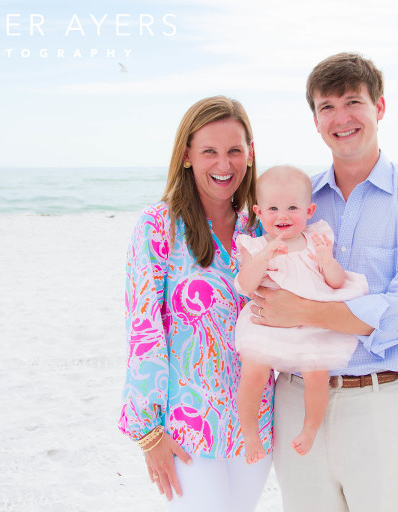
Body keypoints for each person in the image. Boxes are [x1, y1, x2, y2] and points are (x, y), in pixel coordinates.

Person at [251, 53, 398, 511]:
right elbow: (255, 282)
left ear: (379, 107)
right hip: (297, 400)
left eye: (353, 102)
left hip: (383, 404)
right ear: (315, 120)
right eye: (327, 106)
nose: (341, 118)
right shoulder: (293, 200)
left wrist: (302, 311)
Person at [118, 96, 274, 512]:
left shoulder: (259, 227)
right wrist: (147, 432)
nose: (224, 165)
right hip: (186, 427)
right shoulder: (158, 227)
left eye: (234, 151)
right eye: (210, 151)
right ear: (187, 155)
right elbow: (143, 330)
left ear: (250, 153)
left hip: (253, 422)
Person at [233, 165, 368, 464]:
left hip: (310, 323)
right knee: (253, 373)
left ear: (309, 210)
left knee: (316, 376)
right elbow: (244, 285)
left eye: (293, 207)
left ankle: (309, 429)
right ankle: (250, 431)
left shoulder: (316, 240)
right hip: (268, 324)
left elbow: (336, 282)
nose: (283, 215)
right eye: (273, 208)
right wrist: (264, 257)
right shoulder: (254, 246)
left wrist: (326, 259)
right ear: (258, 211)